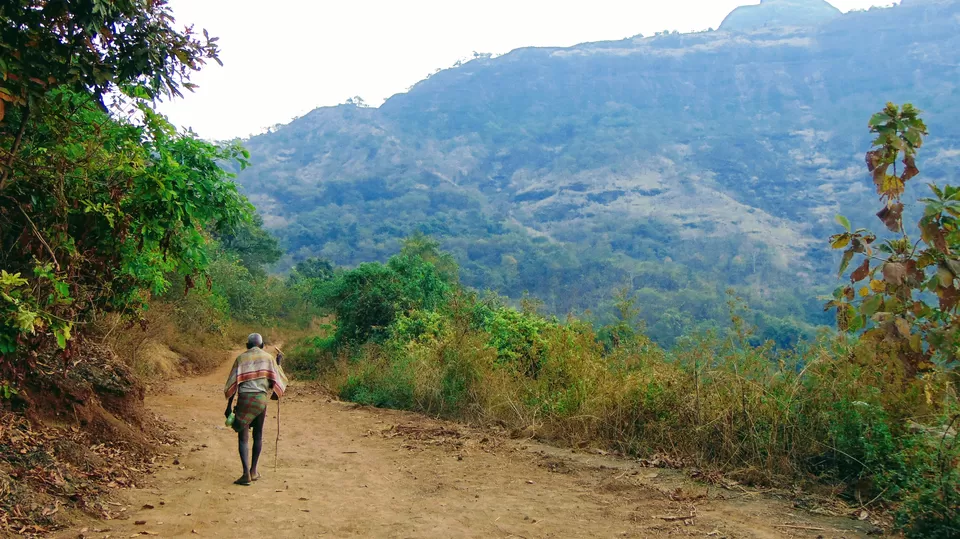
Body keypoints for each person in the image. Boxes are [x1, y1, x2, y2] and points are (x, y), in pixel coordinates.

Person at [223, 333, 286, 485]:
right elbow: (274, 382)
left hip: (244, 399)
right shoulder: (269, 358)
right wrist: (278, 363)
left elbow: (233, 384)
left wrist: (229, 406)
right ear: (262, 345)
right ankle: (254, 471)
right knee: (258, 435)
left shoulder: (241, 359)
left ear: (247, 345)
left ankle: (245, 474)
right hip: (260, 400)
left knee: (243, 437)